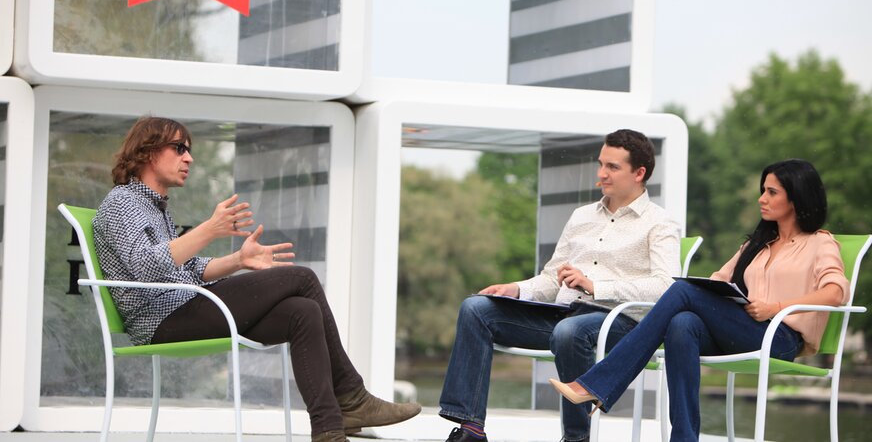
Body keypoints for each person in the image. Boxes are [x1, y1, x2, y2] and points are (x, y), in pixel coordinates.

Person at [92, 116, 420, 442]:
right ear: (149, 151)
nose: (188, 158)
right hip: (162, 321)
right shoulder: (122, 203)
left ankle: (329, 430)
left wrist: (239, 260)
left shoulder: (155, 206)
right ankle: (352, 396)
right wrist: (210, 229)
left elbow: (186, 269)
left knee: (303, 312)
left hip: (185, 307)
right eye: (179, 148)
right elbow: (146, 267)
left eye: (188, 150)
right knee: (303, 278)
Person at [550, 159, 849, 442]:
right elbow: (718, 280)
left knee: (682, 291)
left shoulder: (819, 243)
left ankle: (598, 383)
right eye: (763, 191)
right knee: (683, 323)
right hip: (742, 332)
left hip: (780, 338)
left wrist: (776, 308)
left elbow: (835, 292)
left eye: (772, 192)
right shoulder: (756, 245)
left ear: (796, 198)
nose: (762, 198)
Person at [439, 129, 681, 442]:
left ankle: (576, 438)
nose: (601, 174)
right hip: (563, 314)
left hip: (618, 321)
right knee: (476, 309)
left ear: (639, 173)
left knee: (570, 332)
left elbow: (665, 286)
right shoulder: (581, 216)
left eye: (612, 167)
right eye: (600, 164)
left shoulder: (659, 223)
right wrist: (516, 289)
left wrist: (596, 285)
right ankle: (471, 428)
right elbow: (552, 277)